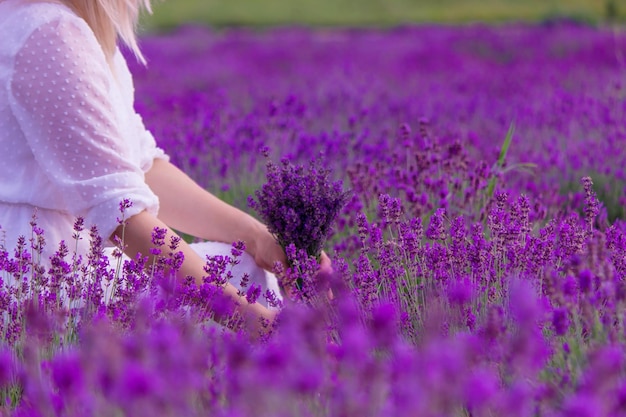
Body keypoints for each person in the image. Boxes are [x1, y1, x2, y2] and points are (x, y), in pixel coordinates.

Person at [0, 0, 330, 338]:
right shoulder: (50, 34)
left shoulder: (65, 25)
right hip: (43, 288)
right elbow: (121, 214)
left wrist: (256, 237)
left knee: (244, 267)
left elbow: (139, 167)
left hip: (63, 269)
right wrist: (258, 324)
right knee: (245, 286)